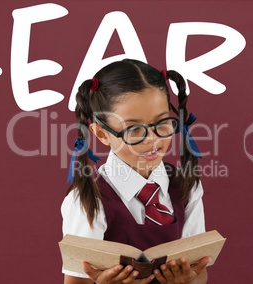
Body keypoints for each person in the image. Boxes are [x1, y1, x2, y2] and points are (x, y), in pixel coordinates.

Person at [61, 59, 210, 284]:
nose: (152, 139)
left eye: (162, 124)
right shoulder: (89, 198)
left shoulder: (187, 186)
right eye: (133, 129)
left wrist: (185, 281)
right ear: (101, 134)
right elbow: (76, 280)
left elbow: (200, 272)